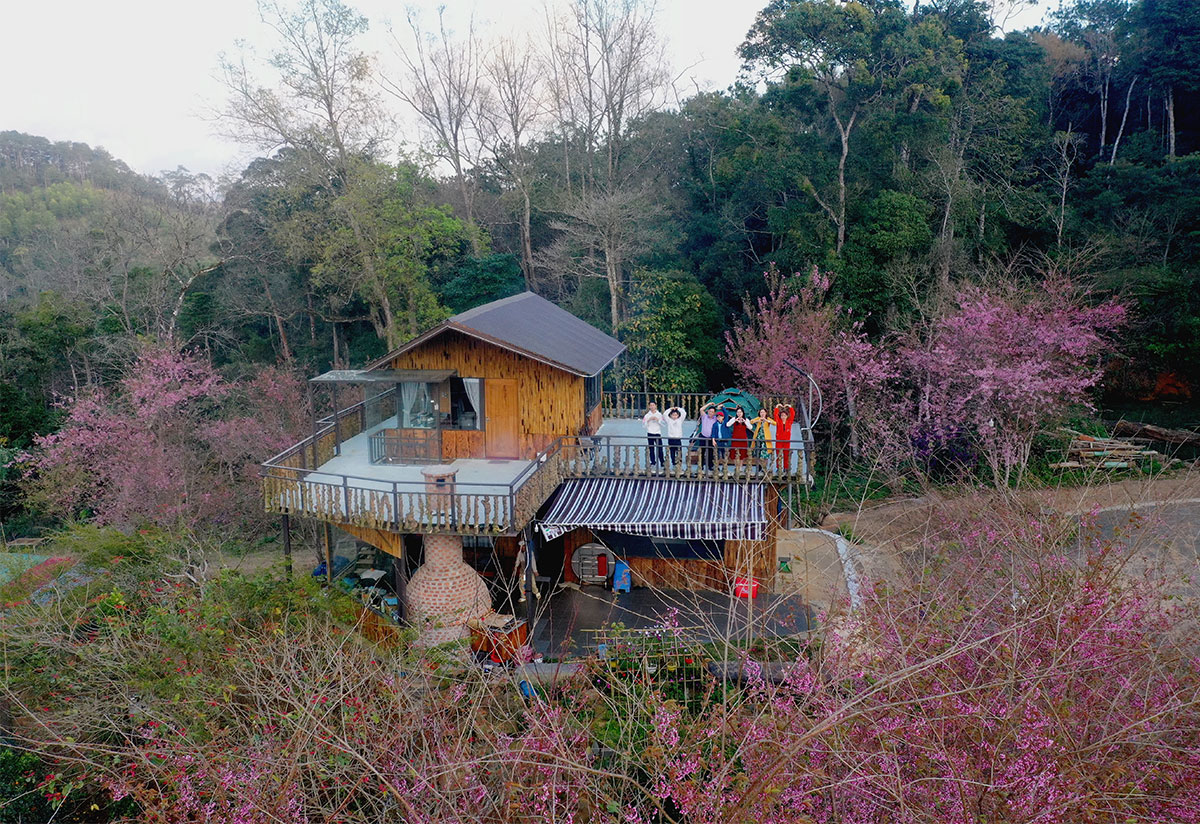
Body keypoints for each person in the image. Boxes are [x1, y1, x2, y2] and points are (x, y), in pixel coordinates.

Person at [642, 402, 665, 471]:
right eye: (650, 405)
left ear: (656, 406)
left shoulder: (659, 415)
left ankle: (662, 462)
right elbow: (643, 425)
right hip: (650, 433)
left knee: (660, 448)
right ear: (649, 407)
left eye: (653, 405)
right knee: (651, 449)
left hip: (657, 433)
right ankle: (653, 462)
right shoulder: (646, 415)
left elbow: (663, 424)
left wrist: (658, 420)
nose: (652, 407)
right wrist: (648, 420)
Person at [773, 403, 796, 472]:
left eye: (784, 415)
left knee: (786, 454)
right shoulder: (778, 422)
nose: (783, 417)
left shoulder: (789, 422)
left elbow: (793, 415)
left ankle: (786, 468)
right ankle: (778, 467)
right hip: (779, 441)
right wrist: (777, 407)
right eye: (782, 415)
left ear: (787, 416)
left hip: (787, 441)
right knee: (778, 454)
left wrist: (790, 407)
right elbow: (775, 415)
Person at [697, 403, 718, 471]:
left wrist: (719, 408)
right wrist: (709, 404)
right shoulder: (704, 416)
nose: (710, 413)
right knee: (702, 452)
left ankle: (710, 466)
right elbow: (701, 409)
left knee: (710, 452)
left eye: (712, 412)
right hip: (703, 436)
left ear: (714, 413)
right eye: (709, 411)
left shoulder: (715, 419)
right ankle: (701, 465)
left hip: (711, 438)